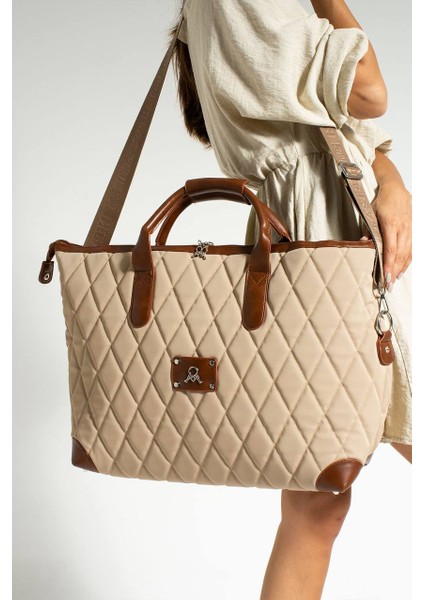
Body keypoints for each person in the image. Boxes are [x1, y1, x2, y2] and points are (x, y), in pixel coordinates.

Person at [170, 0, 412, 597]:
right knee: (315, 499)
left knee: (315, 504)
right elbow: (368, 92)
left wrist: (390, 179)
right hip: (327, 236)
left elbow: (329, 119)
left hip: (323, 228)